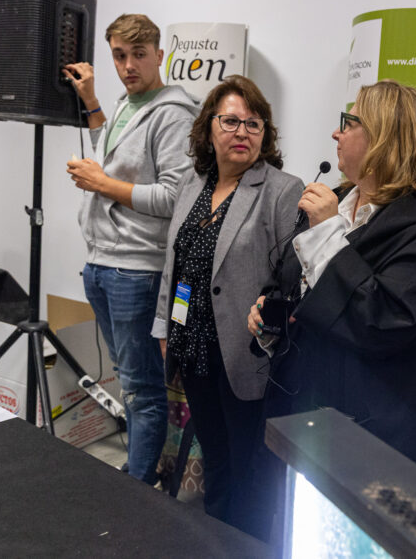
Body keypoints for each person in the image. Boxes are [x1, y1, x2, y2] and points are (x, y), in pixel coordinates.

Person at [248, 79, 416, 485]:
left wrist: (329, 233)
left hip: (378, 445)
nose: (336, 133)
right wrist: (269, 317)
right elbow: (287, 281)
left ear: (386, 138)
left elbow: (380, 320)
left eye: (349, 122)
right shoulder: (332, 203)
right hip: (303, 419)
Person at [150, 75, 301, 539]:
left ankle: (247, 545)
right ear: (208, 128)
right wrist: (165, 328)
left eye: (253, 124)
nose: (242, 132)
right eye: (231, 121)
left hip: (246, 355)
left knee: (249, 471)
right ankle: (216, 541)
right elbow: (175, 264)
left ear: (265, 134)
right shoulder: (193, 183)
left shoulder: (281, 190)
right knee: (215, 458)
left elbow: (294, 279)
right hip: (194, 349)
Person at [64, 13, 199, 485]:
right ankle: (140, 472)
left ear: (160, 56)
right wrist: (92, 102)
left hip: (136, 269)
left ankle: (137, 490)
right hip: (102, 262)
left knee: (141, 389)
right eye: (119, 55)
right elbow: (117, 155)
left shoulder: (174, 114)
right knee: (129, 379)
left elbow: (174, 197)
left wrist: (101, 183)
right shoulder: (126, 104)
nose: (128, 66)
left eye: (139, 55)